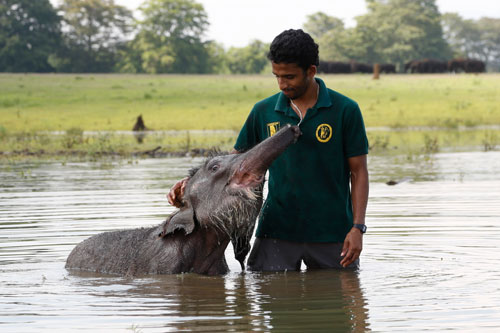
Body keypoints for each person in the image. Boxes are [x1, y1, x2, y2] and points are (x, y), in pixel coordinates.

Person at [168, 29, 369, 270]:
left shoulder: (345, 110)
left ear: (311, 71)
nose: (282, 84)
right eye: (277, 76)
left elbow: (359, 172)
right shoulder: (263, 111)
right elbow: (233, 165)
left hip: (332, 231)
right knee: (266, 294)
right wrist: (190, 184)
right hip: (277, 230)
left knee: (340, 297)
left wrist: (357, 228)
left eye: (290, 77)